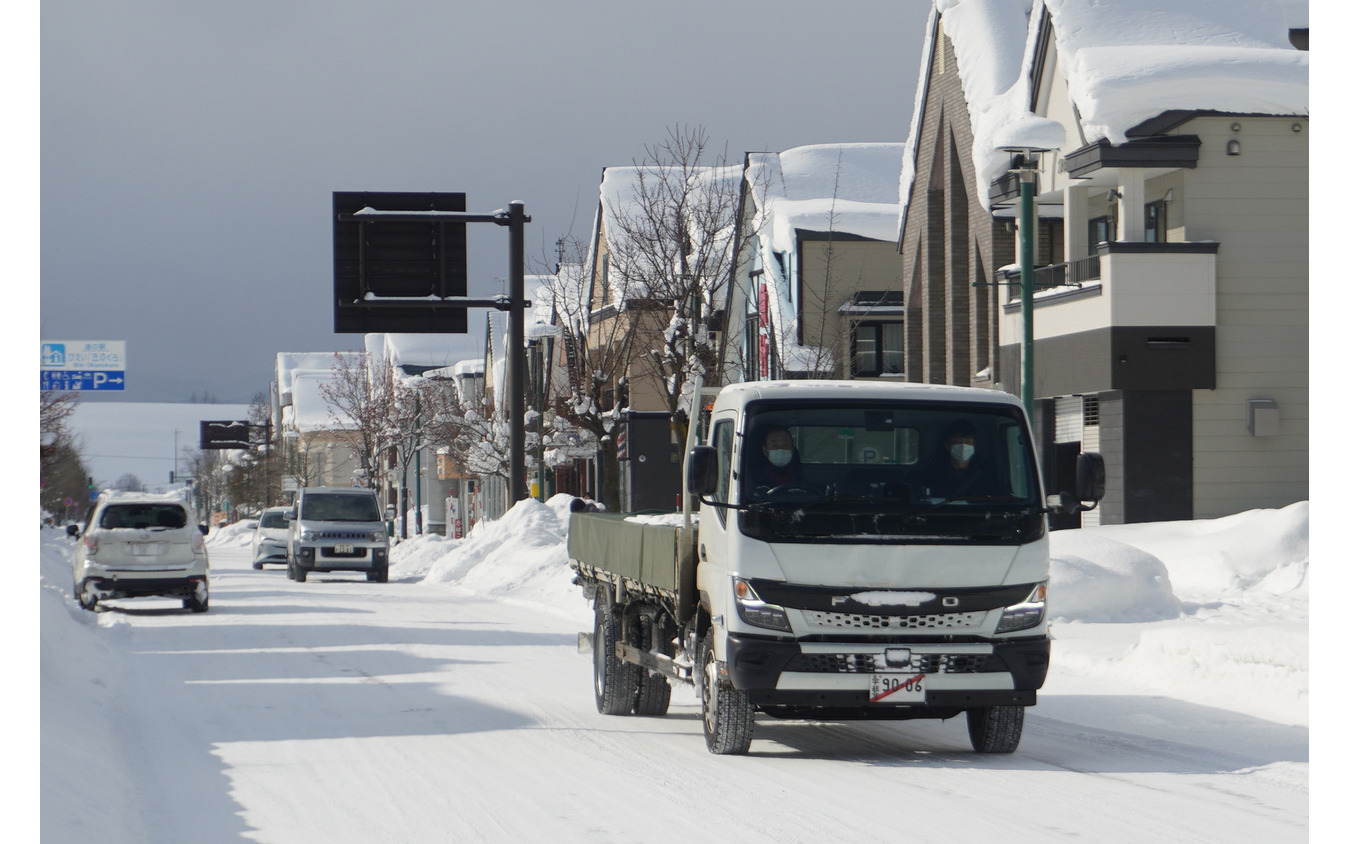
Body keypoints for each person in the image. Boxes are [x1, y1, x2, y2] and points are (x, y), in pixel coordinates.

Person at [927, 419, 997, 500]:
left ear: (974, 445)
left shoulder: (985, 474)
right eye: (958, 441)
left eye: (968, 442)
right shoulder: (934, 473)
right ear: (947, 445)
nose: (963, 446)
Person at [746, 425, 805, 494]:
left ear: (792, 450)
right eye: (775, 446)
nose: (780, 449)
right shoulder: (752, 479)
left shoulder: (800, 476)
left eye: (785, 445)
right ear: (765, 450)